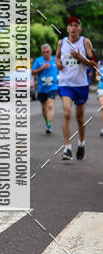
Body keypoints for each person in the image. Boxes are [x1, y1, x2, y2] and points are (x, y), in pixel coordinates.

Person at [55, 16, 96, 161]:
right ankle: (67, 148)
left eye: (76, 25)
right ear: (67, 29)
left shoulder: (85, 42)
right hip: (65, 83)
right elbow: (57, 57)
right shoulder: (62, 42)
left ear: (80, 29)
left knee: (79, 118)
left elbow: (94, 64)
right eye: (71, 25)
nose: (73, 28)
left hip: (81, 84)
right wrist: (58, 63)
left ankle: (81, 143)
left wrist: (80, 58)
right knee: (67, 113)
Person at [31, 43, 58, 133]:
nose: (46, 54)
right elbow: (33, 72)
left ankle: (49, 124)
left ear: (51, 52)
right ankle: (47, 122)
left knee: (50, 105)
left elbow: (62, 68)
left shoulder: (55, 59)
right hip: (41, 88)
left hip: (52, 87)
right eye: (44, 52)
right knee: (44, 109)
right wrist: (42, 68)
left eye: (47, 52)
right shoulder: (38, 61)